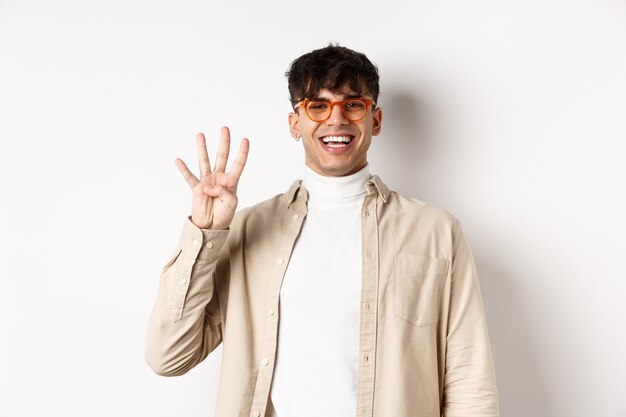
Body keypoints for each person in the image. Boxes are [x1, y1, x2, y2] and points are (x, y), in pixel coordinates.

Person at [145, 44, 499, 417]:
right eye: (318, 105)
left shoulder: (436, 232)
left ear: (374, 120)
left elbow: (469, 382)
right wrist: (205, 233)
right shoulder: (248, 229)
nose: (336, 119)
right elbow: (168, 355)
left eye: (352, 104)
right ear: (295, 123)